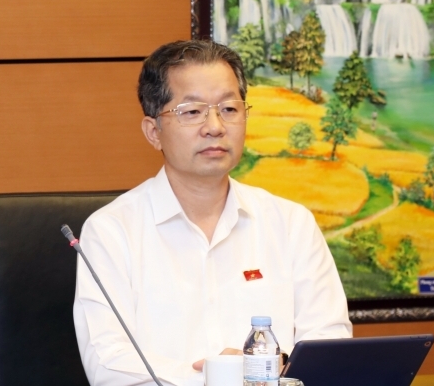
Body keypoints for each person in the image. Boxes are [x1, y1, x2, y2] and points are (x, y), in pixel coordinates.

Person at [72, 40, 351, 386]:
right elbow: (109, 364)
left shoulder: (292, 224)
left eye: (229, 109)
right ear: (154, 132)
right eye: (192, 112)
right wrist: (221, 377)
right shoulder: (112, 231)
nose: (215, 126)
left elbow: (329, 348)